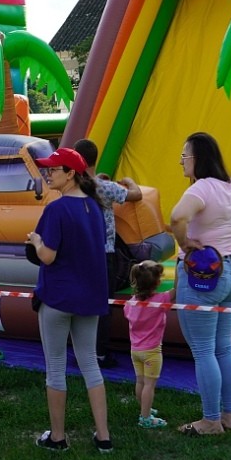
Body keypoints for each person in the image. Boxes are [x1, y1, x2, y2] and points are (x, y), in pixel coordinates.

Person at [169, 132, 231, 436]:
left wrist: (186, 244)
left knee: (204, 350)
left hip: (202, 277)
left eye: (185, 155)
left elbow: (177, 217)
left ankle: (210, 420)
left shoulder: (202, 188)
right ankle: (229, 415)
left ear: (199, 158)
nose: (182, 161)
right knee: (224, 347)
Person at [25, 146, 113, 454]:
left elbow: (48, 257)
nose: (48, 173)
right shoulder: (95, 206)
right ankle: (104, 436)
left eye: (54, 169)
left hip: (58, 297)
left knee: (56, 367)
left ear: (71, 173)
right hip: (90, 297)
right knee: (90, 362)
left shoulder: (56, 209)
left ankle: (58, 437)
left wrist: (36, 241)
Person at [73, 138, 143, 367]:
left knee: (82, 303)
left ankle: (81, 351)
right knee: (103, 305)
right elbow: (136, 195)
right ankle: (100, 353)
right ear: (95, 157)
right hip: (104, 254)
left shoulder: (74, 187)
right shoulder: (105, 188)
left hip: (81, 253)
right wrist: (130, 182)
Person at [125, 260, 171, 429]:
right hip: (152, 351)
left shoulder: (130, 303)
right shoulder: (160, 300)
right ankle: (145, 418)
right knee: (149, 385)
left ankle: (144, 409)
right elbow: (177, 290)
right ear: (157, 282)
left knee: (140, 382)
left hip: (135, 350)